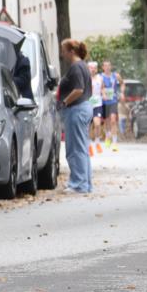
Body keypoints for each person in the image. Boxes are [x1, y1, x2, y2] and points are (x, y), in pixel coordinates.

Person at [58, 39, 93, 194]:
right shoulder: (82, 66)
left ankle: (78, 184)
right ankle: (85, 184)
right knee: (82, 148)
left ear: (71, 51)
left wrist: (64, 102)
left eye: (63, 50)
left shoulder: (76, 67)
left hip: (76, 110)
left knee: (75, 149)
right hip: (83, 108)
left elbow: (78, 89)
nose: (62, 53)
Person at [100, 60, 121, 151]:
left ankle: (115, 142)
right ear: (103, 67)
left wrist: (122, 92)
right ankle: (108, 136)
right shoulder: (100, 77)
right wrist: (103, 93)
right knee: (107, 121)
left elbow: (123, 83)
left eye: (109, 65)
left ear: (111, 67)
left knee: (113, 120)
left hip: (113, 100)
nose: (107, 67)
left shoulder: (115, 75)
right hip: (104, 102)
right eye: (106, 66)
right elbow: (100, 87)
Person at [87, 61, 104, 155]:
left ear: (96, 69)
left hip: (97, 103)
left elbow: (102, 88)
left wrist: (104, 94)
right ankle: (89, 146)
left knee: (97, 124)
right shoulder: (86, 79)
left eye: (94, 68)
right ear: (88, 68)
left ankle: (97, 142)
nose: (92, 69)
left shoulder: (100, 78)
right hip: (88, 104)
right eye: (91, 67)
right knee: (88, 126)